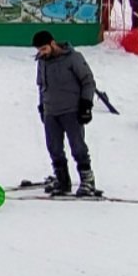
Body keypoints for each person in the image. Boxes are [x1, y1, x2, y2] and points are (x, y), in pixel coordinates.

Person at [32, 30, 97, 196]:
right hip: (50, 112)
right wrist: (42, 106)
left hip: (71, 111)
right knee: (54, 148)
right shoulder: (42, 62)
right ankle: (62, 180)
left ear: (53, 44)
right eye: (39, 50)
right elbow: (41, 85)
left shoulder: (73, 58)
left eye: (44, 49)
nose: (42, 53)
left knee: (78, 147)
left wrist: (86, 104)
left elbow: (88, 81)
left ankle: (87, 181)